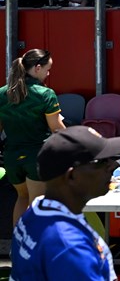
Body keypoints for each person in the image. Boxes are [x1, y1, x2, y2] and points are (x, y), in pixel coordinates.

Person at [11, 127, 120, 280]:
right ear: (72, 175)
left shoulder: (36, 210)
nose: (113, 165)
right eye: (101, 161)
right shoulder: (69, 247)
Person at [0, 49, 65, 226]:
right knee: (37, 204)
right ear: (37, 68)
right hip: (36, 156)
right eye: (47, 69)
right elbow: (57, 128)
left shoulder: (2, 94)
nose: (48, 73)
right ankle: (35, 249)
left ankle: (18, 246)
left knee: (22, 198)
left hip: (12, 158)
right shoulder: (45, 94)